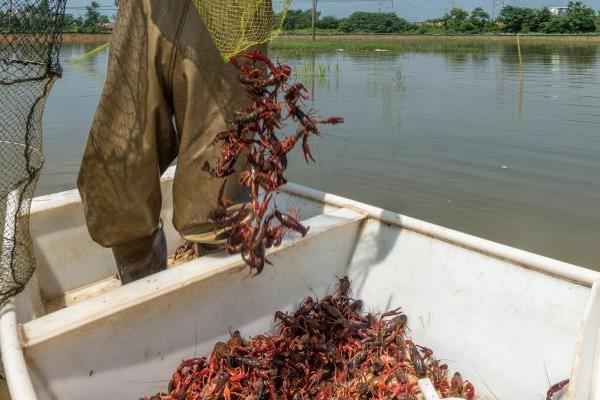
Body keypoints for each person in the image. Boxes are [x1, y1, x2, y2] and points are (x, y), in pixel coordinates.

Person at [78, 0, 263, 284]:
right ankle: (143, 293)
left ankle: (218, 304)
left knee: (217, 194)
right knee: (115, 177)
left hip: (231, 12)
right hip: (144, 9)